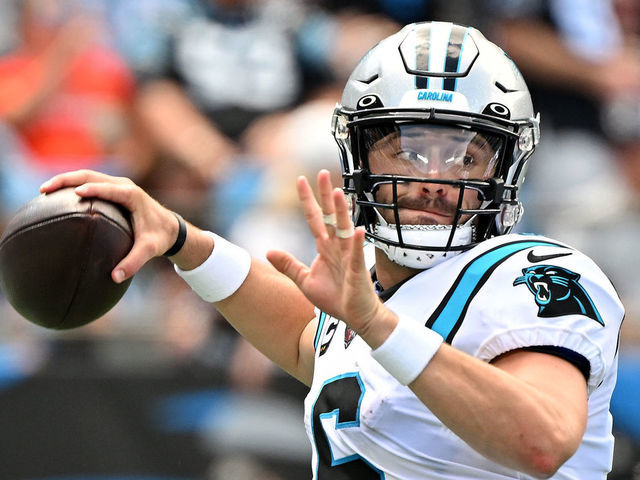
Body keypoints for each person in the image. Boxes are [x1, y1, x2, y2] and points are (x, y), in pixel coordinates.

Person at [39, 21, 624, 479]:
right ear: (360, 155)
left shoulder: (535, 276)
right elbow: (306, 338)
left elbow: (542, 442)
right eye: (411, 151)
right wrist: (181, 238)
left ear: (506, 167)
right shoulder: (369, 286)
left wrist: (375, 323)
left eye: (467, 155)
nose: (438, 178)